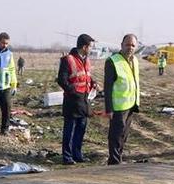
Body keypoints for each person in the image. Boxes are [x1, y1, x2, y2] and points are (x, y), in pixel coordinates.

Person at [56, 34, 97, 164]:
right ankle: (67, 157)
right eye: (90, 46)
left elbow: (86, 76)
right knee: (70, 130)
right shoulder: (68, 59)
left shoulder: (87, 60)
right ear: (85, 47)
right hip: (72, 101)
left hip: (84, 100)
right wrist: (72, 91)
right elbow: (62, 80)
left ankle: (77, 154)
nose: (91, 49)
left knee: (81, 129)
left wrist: (93, 83)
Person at [104, 34, 141, 165]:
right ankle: (114, 162)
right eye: (127, 44)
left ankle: (118, 158)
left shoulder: (135, 61)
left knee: (124, 136)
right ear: (121, 45)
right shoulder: (112, 61)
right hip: (118, 107)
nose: (130, 47)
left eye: (133, 45)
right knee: (115, 136)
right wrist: (109, 109)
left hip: (130, 104)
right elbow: (107, 87)